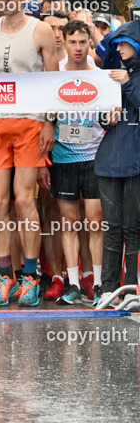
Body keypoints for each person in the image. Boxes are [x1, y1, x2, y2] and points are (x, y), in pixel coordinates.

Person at [0, 0, 58, 307]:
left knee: (24, 201)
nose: (5, 1)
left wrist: (50, 122)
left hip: (30, 122)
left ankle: (31, 276)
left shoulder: (41, 29)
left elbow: (53, 80)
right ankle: (6, 273)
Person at [44, 21, 104, 305]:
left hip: (95, 156)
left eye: (83, 42)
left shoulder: (102, 76)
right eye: (73, 42)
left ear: (90, 43)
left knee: (95, 220)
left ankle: (99, 281)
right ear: (64, 42)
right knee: (68, 221)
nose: (78, 48)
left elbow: (109, 117)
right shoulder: (55, 75)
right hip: (64, 156)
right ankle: (72, 282)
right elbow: (46, 119)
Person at [93, 20, 140, 308]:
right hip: (110, 161)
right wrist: (105, 119)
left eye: (124, 44)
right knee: (112, 227)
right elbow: (99, 111)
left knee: (133, 228)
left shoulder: (126, 78)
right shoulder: (110, 76)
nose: (119, 49)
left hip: (136, 162)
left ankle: (132, 288)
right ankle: (108, 289)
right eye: (116, 44)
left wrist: (129, 82)